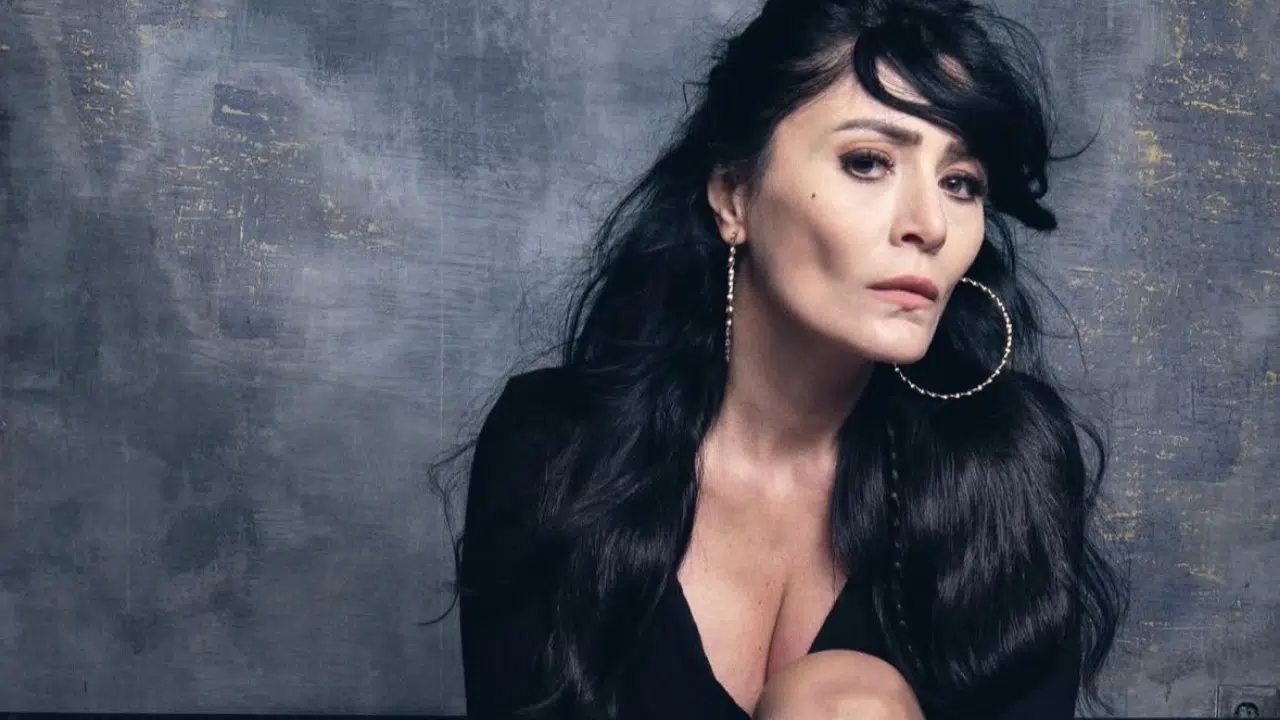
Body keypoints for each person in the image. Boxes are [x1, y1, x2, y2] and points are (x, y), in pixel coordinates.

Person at [444, 0, 1128, 718]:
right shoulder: (558, 448)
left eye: (961, 182)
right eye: (868, 162)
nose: (929, 225)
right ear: (733, 196)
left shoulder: (1006, 460)